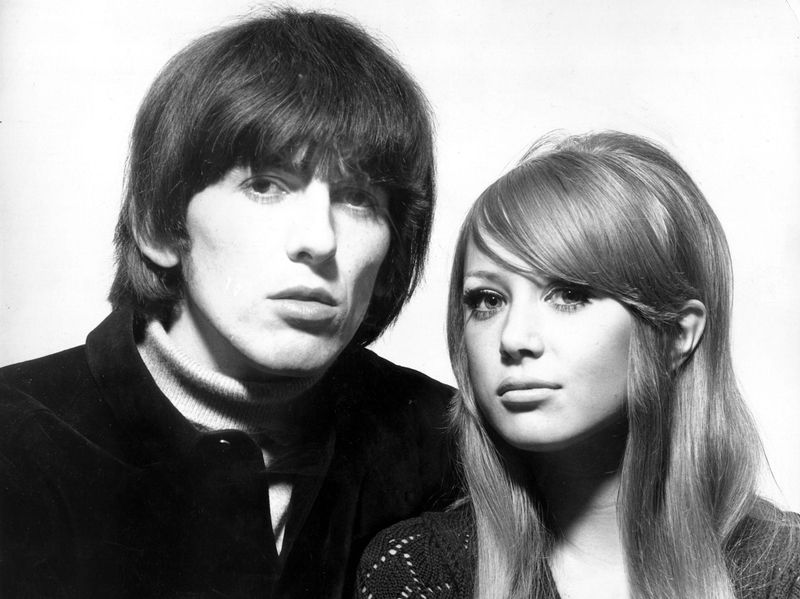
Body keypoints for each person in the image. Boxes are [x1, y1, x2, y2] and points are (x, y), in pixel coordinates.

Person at [0, 9, 456, 599]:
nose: (319, 240)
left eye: (358, 199)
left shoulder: (445, 443)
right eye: (265, 185)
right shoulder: (16, 443)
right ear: (161, 225)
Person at [357, 131, 800, 598]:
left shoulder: (785, 572)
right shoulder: (420, 570)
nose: (513, 338)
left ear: (676, 334)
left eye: (569, 295)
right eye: (488, 300)